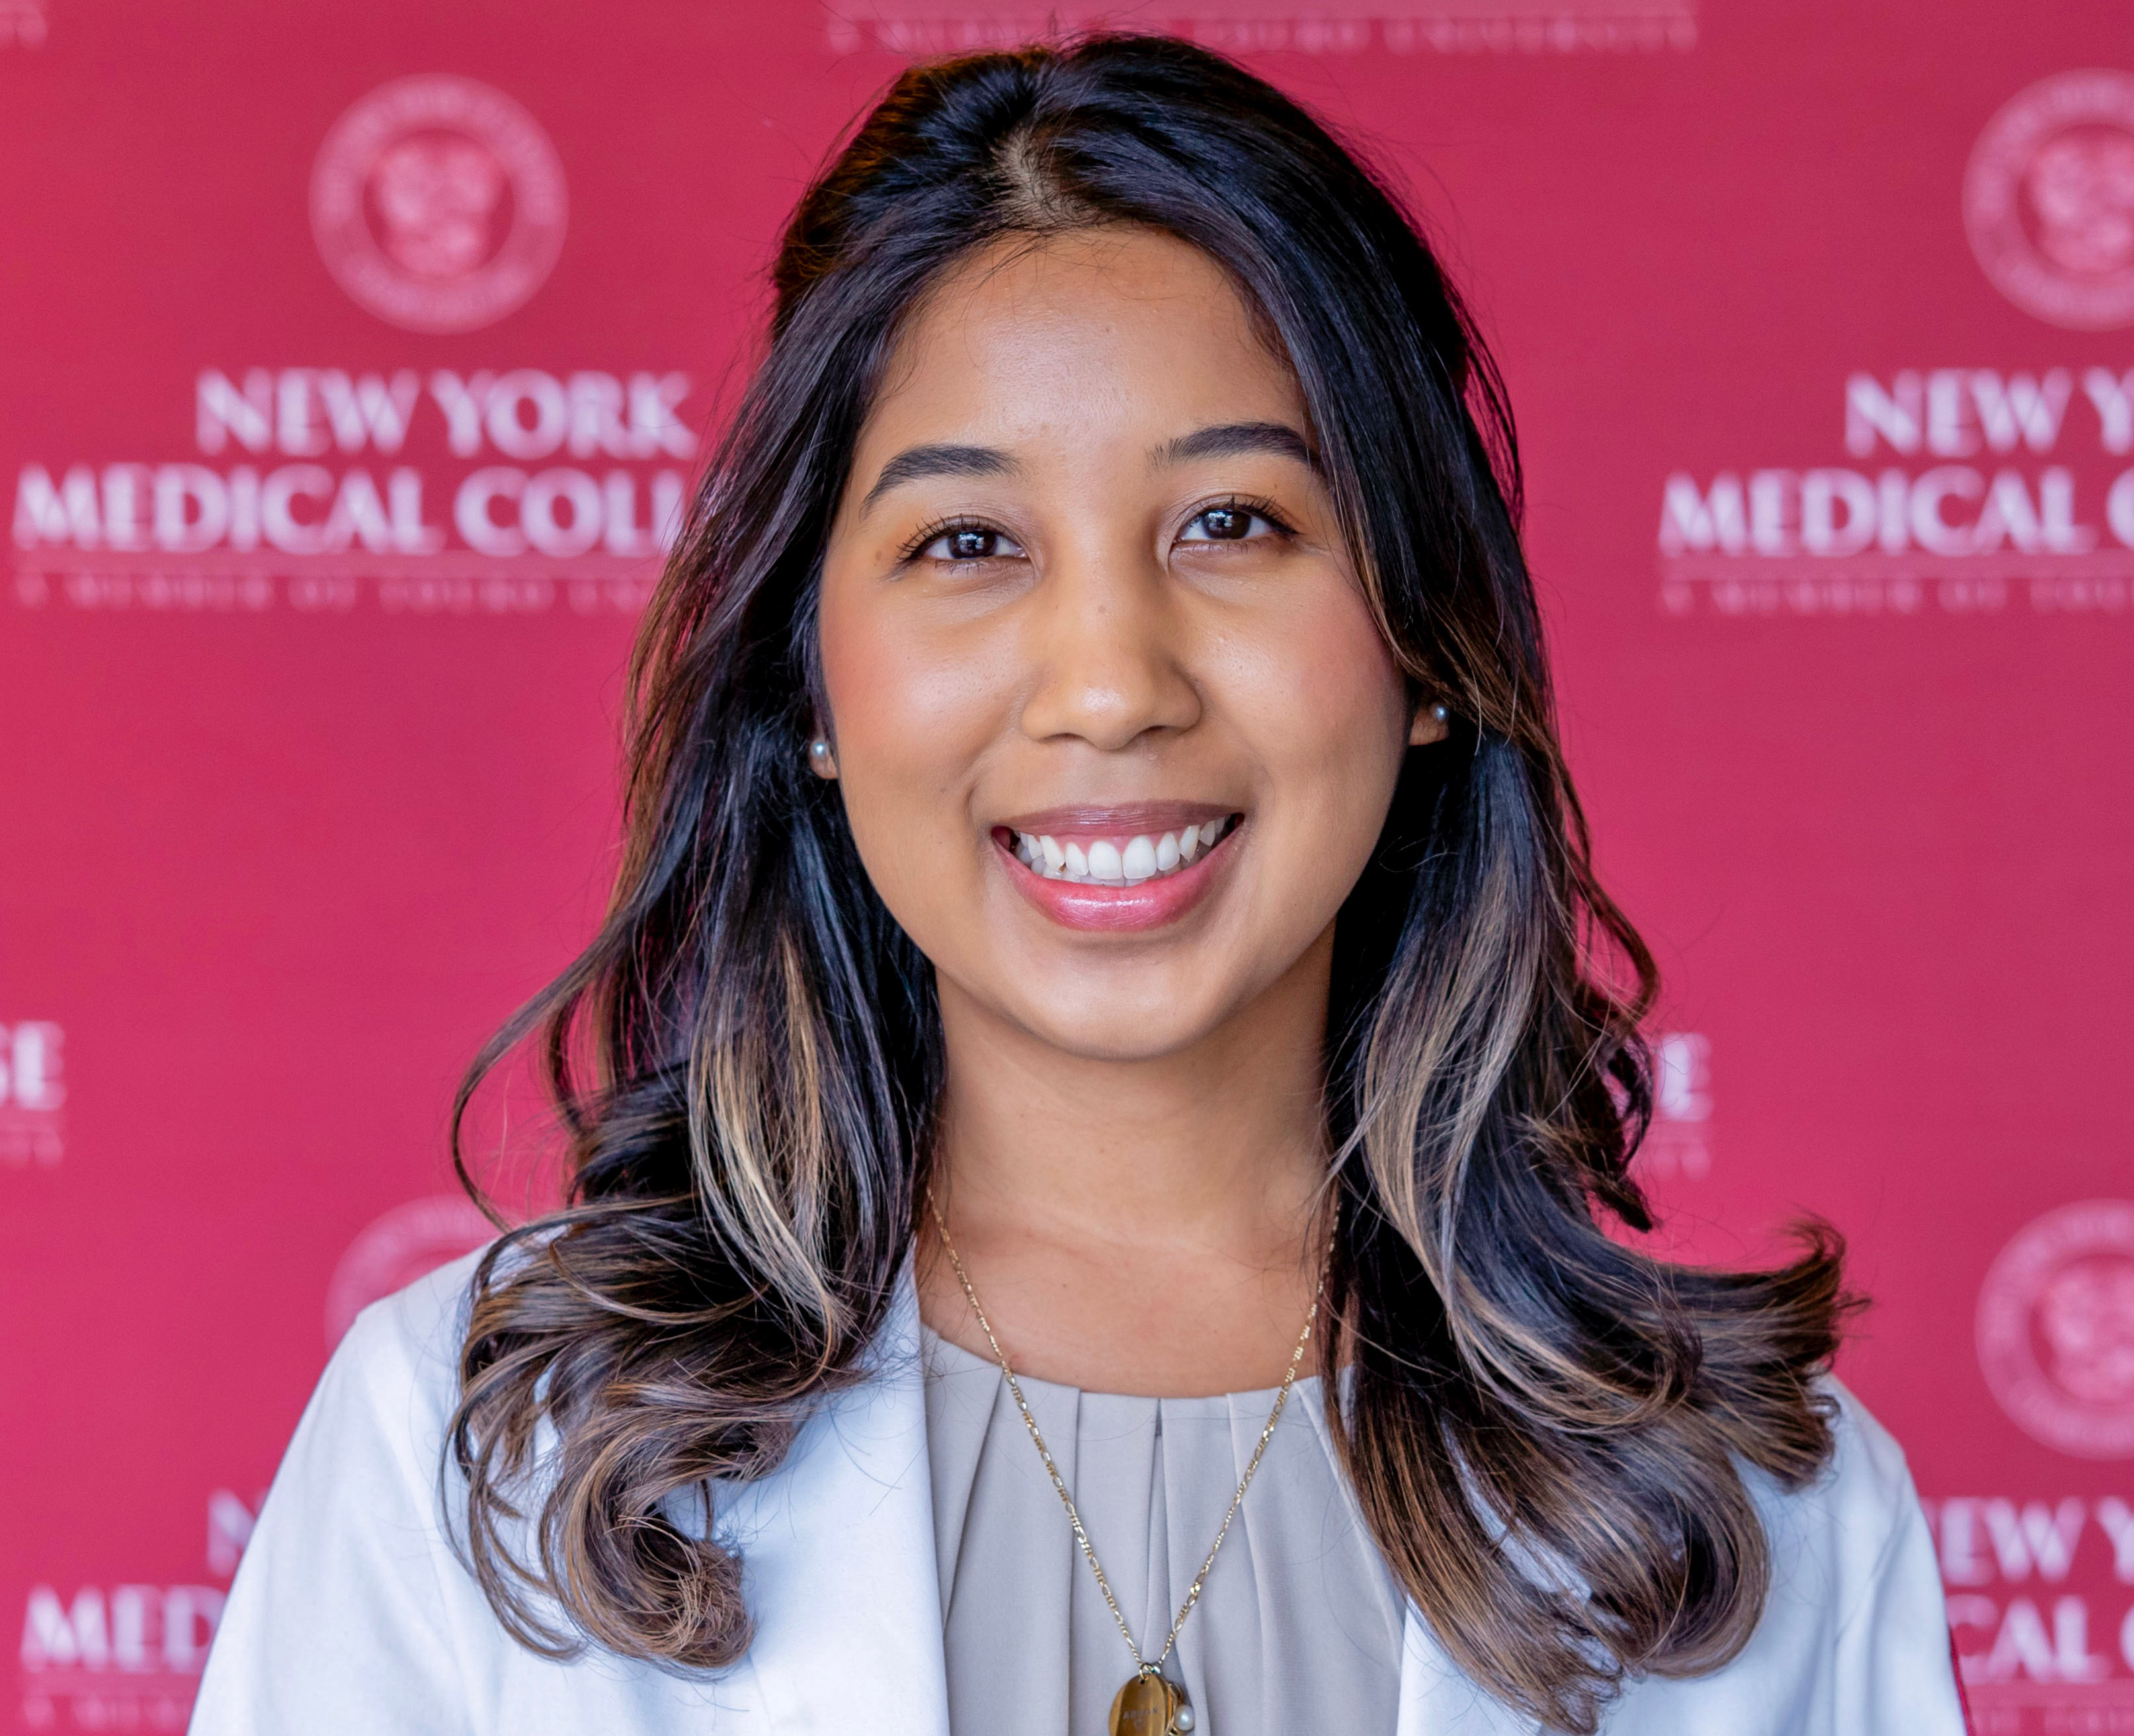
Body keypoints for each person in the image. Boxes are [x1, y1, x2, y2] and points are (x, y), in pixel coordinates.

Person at [191, 34, 1967, 1736]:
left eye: (1232, 524)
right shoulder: (471, 1449)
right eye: (966, 543)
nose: (1109, 681)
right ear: (812, 683)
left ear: (1424, 645)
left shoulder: (1756, 1510)